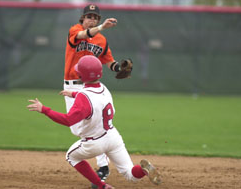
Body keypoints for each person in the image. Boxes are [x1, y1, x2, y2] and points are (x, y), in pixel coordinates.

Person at [27, 55, 162, 189]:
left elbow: (68, 120)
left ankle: (101, 185)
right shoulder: (104, 88)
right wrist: (73, 94)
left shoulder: (83, 97)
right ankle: (144, 170)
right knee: (130, 174)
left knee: (71, 157)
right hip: (113, 137)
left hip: (94, 143)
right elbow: (93, 99)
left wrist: (44, 109)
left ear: (80, 75)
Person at [63, 4, 128, 185]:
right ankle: (104, 162)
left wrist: (120, 68)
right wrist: (100, 28)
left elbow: (109, 62)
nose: (91, 19)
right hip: (72, 86)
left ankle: (103, 167)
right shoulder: (75, 30)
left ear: (97, 20)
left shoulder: (101, 40)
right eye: (88, 16)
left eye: (94, 17)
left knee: (87, 128)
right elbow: (84, 35)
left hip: (89, 87)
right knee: (77, 129)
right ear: (82, 19)